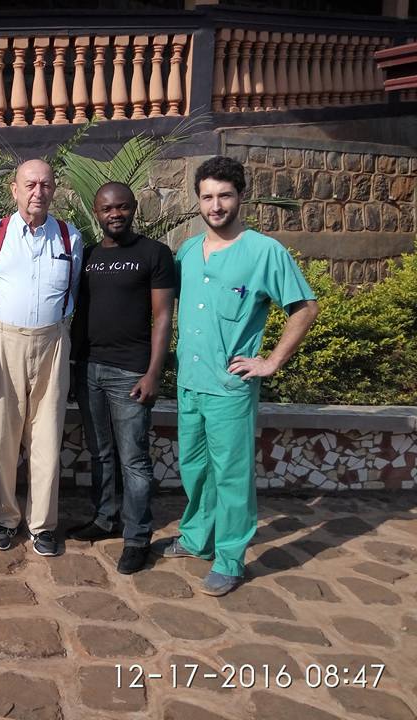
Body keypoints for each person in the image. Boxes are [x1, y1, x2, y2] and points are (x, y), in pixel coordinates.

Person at [161, 156, 318, 596]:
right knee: (194, 468)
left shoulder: (264, 252)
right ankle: (198, 537)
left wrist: (271, 361)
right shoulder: (187, 252)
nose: (216, 206)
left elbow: (305, 308)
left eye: (224, 196)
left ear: (241, 196)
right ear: (198, 200)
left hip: (230, 388)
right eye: (207, 197)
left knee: (231, 476)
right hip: (190, 383)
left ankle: (230, 558)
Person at [0, 159, 83, 557]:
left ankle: (43, 526)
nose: (38, 192)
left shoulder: (70, 237)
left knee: (47, 435)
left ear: (54, 189)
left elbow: (73, 290)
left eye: (46, 184)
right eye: (30, 184)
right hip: (4, 340)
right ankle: (4, 519)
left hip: (53, 341)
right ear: (15, 189)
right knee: (1, 435)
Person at [68, 182, 175, 575]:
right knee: (100, 452)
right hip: (89, 368)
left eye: (122, 207)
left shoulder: (154, 253)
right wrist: (73, 365)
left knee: (134, 459)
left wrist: (153, 372)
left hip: (130, 371)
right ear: (96, 212)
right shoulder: (88, 256)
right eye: (107, 208)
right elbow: (78, 314)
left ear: (133, 208)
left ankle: (137, 537)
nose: (115, 214)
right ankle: (104, 518)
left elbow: (163, 316)